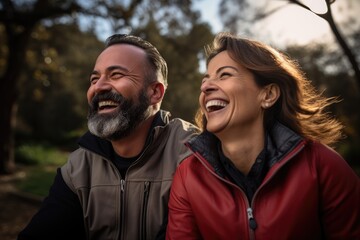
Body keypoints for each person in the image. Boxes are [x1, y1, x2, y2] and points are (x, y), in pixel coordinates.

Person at [166, 32, 360, 239]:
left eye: (225, 75)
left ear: (267, 95)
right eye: (205, 80)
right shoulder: (187, 175)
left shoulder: (322, 165)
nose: (205, 87)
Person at [18, 34, 199, 240]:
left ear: (155, 93)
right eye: (94, 79)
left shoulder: (191, 153)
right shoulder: (78, 167)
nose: (99, 87)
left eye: (116, 75)